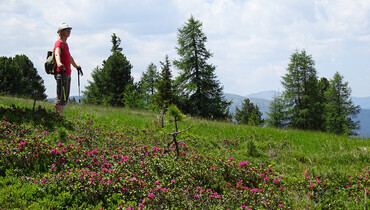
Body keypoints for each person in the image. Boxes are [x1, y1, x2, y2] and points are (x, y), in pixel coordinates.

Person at [54, 23, 83, 114]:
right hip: (61, 72)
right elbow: (57, 53)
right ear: (61, 32)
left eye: (69, 30)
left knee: (65, 96)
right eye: (67, 30)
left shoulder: (65, 44)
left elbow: (69, 58)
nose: (69, 31)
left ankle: (59, 117)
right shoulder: (59, 43)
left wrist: (76, 66)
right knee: (61, 97)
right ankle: (58, 118)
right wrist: (59, 63)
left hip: (67, 73)